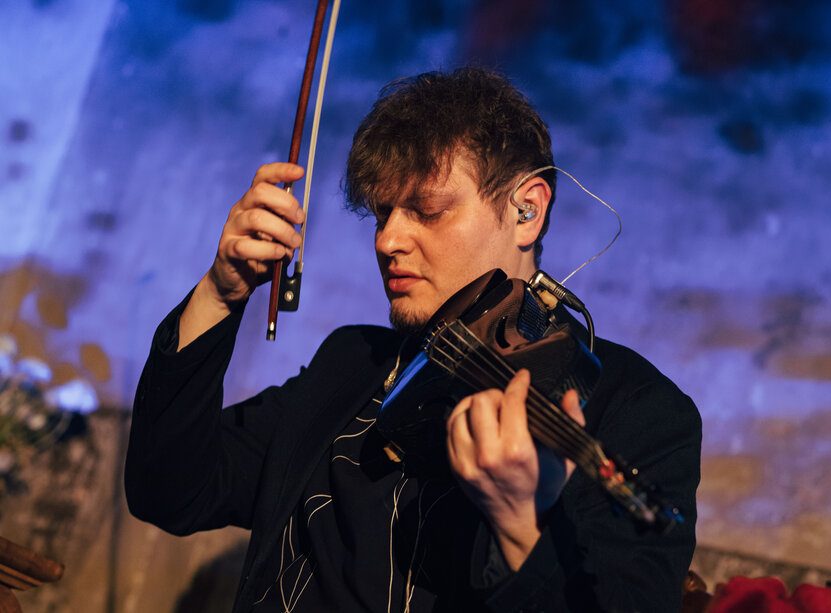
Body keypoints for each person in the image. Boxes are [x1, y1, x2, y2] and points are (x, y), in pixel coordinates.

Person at [125, 67, 701, 612]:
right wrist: (221, 294)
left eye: (426, 211)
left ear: (527, 210)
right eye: (382, 214)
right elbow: (170, 488)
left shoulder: (640, 411)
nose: (387, 241)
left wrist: (521, 525)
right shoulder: (351, 363)